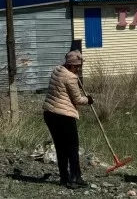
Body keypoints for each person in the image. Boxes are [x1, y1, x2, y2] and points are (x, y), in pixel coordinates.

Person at [42, 50, 94, 189]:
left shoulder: (57, 70)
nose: (78, 68)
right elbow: (77, 99)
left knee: (61, 147)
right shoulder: (71, 77)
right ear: (71, 65)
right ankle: (74, 178)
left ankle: (64, 178)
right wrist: (88, 100)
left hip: (49, 113)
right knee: (72, 147)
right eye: (77, 66)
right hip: (63, 115)